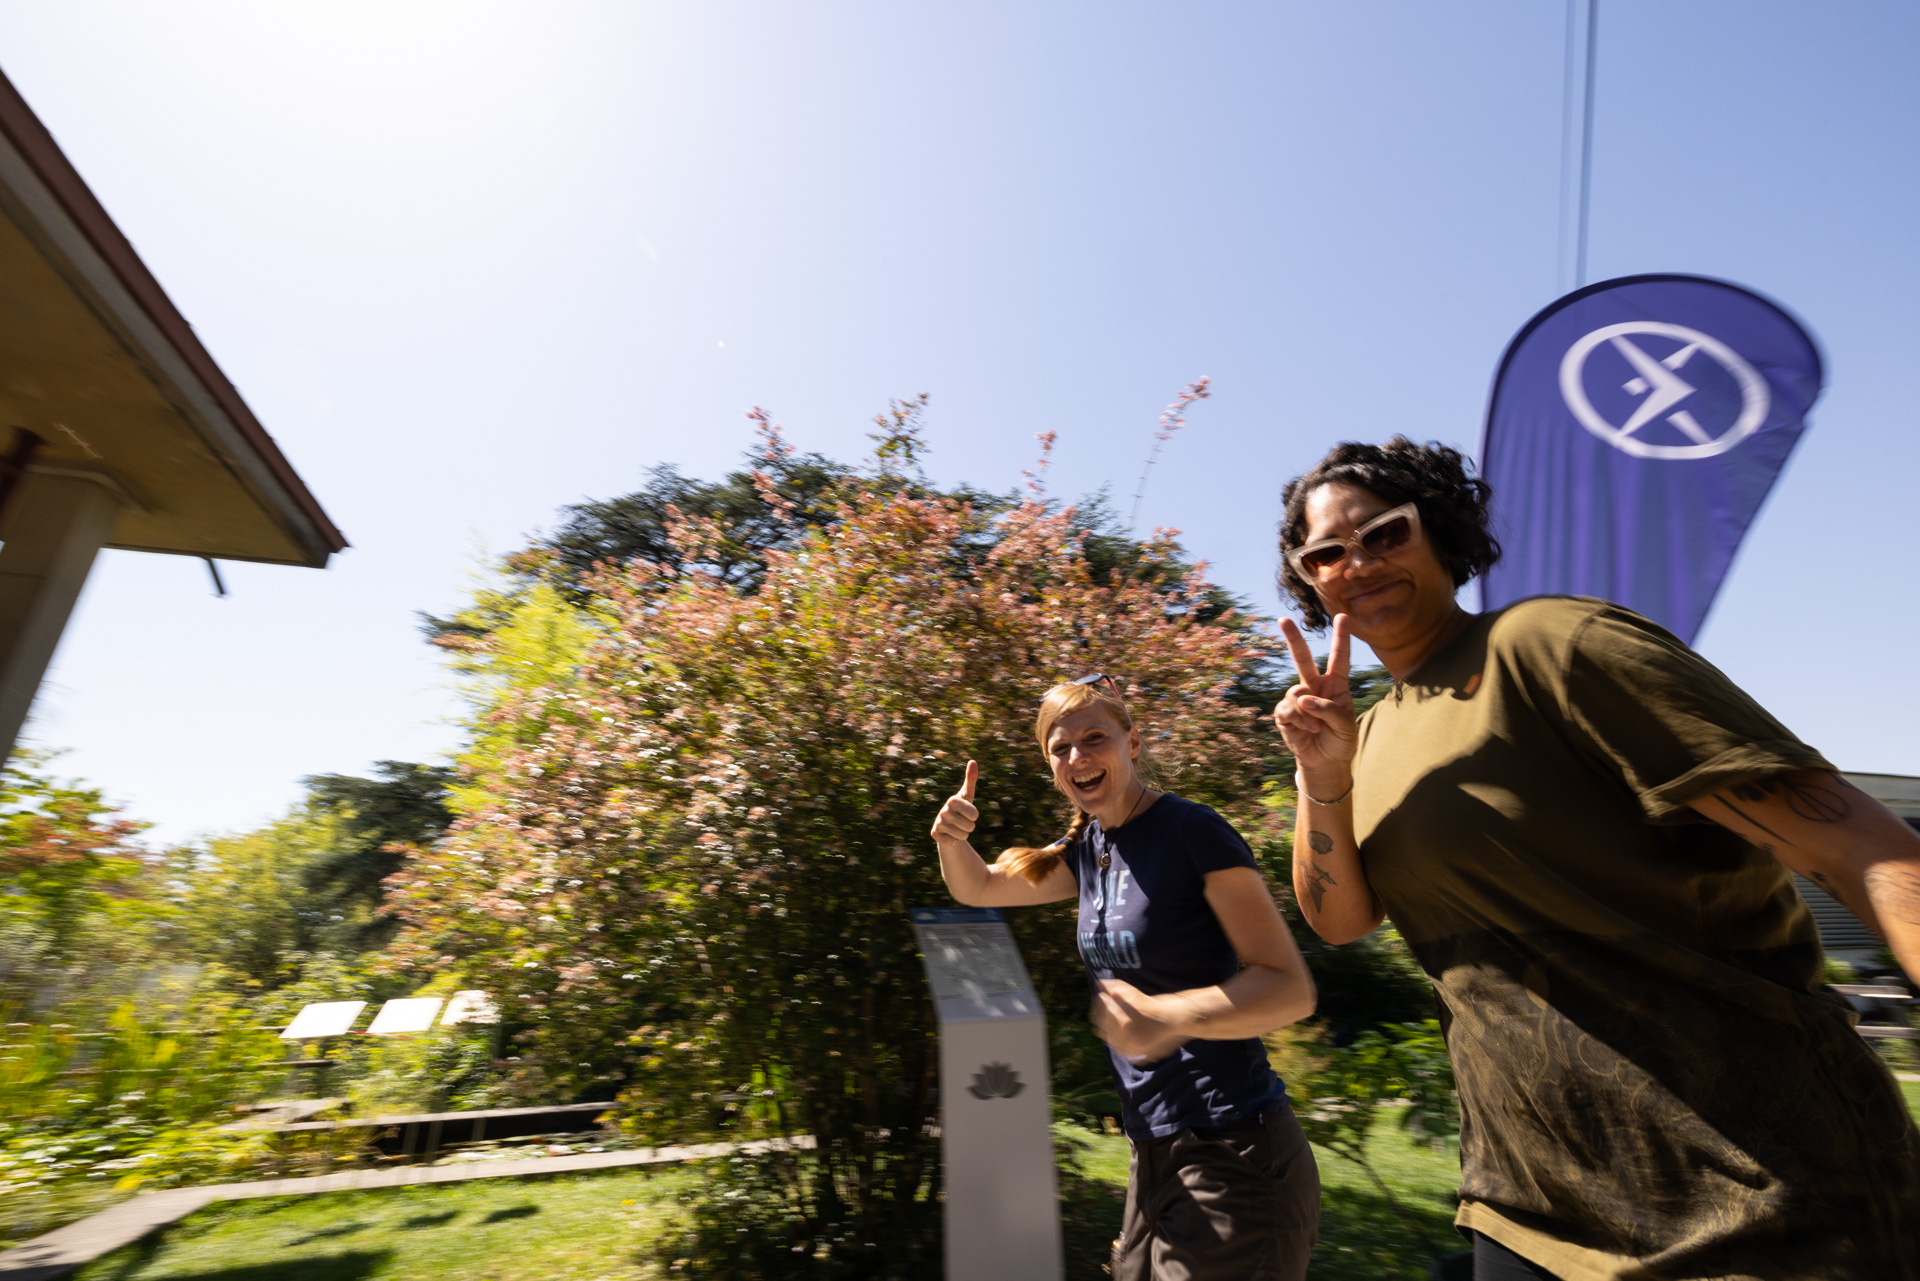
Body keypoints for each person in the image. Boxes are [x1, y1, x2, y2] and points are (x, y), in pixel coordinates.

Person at [1271, 436, 1920, 1281]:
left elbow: (1858, 845)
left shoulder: (1554, 643)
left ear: (1439, 531)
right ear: (1309, 581)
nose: (1357, 563)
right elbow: (1340, 919)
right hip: (1527, 1204)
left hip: (1756, 1190)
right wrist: (1321, 777)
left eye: (1385, 533)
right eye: (1326, 553)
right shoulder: (1366, 734)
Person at [929, 675, 1321, 1281]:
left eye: (1094, 739)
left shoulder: (1191, 831)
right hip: (1152, 1148)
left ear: (1132, 743)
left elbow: (1289, 987)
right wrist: (952, 840)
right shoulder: (1090, 847)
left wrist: (1165, 1017)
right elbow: (978, 887)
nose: (1077, 758)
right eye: (1061, 748)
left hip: (1233, 1146)